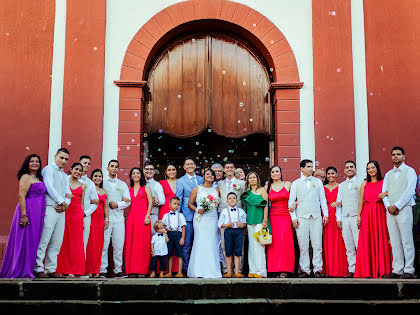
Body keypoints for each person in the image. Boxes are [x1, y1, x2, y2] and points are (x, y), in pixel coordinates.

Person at [0, 154, 46, 278]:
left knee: (32, 240)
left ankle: (28, 267)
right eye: (32, 161)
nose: (35, 163)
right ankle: (20, 269)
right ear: (27, 163)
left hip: (37, 214)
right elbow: (21, 196)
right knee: (24, 239)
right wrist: (24, 215)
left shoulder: (38, 178)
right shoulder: (25, 177)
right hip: (27, 211)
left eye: (37, 161)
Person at [288, 159, 328, 278]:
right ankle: (305, 269)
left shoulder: (318, 182)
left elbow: (322, 199)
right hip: (301, 217)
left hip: (316, 216)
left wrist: (325, 214)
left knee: (317, 245)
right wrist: (294, 218)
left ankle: (317, 269)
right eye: (308, 166)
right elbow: (291, 202)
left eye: (312, 166)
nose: (311, 169)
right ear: (302, 168)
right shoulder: (296, 183)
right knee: (303, 245)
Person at [35, 148, 71, 278]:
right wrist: (62, 201)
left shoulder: (65, 176)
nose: (63, 161)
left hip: (61, 210)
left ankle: (51, 268)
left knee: (57, 240)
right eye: (61, 158)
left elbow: (68, 193)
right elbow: (49, 187)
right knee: (45, 238)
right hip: (50, 207)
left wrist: (65, 204)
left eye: (66, 159)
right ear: (55, 156)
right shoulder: (48, 169)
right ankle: (38, 267)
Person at [382, 147, 417, 279]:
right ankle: (397, 269)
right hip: (390, 211)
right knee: (395, 240)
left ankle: (409, 269)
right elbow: (384, 192)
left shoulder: (410, 171)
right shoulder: (388, 174)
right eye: (393, 155)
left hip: (404, 209)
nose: (396, 156)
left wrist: (397, 205)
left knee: (406, 239)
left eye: (398, 154)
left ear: (404, 156)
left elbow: (410, 191)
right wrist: (388, 206)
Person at [354, 161, 392, 278]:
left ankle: (383, 269)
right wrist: (359, 215)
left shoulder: (384, 181)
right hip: (367, 213)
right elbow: (360, 200)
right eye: (368, 168)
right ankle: (367, 270)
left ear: (377, 168)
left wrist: (385, 193)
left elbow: (390, 193)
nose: (371, 170)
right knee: (367, 240)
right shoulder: (364, 183)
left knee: (381, 238)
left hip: (380, 212)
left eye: (373, 167)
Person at [187, 168, 222, 278]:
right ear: (203, 176)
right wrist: (198, 210)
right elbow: (190, 204)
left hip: (212, 218)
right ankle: (198, 270)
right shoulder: (197, 189)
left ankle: (212, 270)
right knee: (200, 241)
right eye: (207, 174)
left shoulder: (216, 190)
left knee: (212, 242)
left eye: (212, 175)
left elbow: (218, 203)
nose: (210, 176)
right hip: (200, 219)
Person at [100, 160, 130, 278]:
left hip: (118, 218)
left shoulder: (122, 184)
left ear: (118, 169)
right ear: (107, 168)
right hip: (105, 218)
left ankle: (118, 270)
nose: (114, 168)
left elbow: (128, 201)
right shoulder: (102, 182)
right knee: (104, 244)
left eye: (116, 167)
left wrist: (118, 204)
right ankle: (103, 269)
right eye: (112, 166)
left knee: (118, 244)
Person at [56, 162, 86, 277]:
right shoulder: (64, 182)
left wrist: (82, 218)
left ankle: (76, 269)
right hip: (66, 212)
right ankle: (63, 269)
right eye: (76, 169)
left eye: (80, 170)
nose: (77, 172)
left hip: (77, 213)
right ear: (71, 169)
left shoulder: (83, 185)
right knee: (64, 239)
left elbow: (82, 203)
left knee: (76, 242)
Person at [176, 157, 204, 273]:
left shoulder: (201, 179)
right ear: (184, 167)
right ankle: (186, 268)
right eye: (187, 164)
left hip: (202, 216)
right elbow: (179, 199)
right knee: (186, 244)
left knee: (200, 243)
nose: (189, 166)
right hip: (188, 216)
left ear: (195, 166)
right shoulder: (181, 181)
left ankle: (199, 268)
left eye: (191, 164)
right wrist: (177, 216)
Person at [333, 160, 361, 277]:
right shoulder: (341, 185)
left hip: (356, 217)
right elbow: (339, 203)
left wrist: (360, 217)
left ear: (355, 169)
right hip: (345, 218)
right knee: (349, 246)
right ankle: (352, 269)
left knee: (359, 244)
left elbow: (362, 201)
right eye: (347, 167)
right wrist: (338, 219)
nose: (349, 169)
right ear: (344, 170)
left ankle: (361, 269)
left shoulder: (361, 183)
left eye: (351, 167)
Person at [266, 165, 294, 278]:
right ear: (270, 174)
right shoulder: (268, 186)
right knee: (274, 242)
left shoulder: (288, 184)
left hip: (285, 215)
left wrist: (294, 204)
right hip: (273, 216)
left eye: (277, 171)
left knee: (285, 241)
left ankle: (285, 269)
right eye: (273, 172)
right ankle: (274, 269)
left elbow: (296, 197)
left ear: (281, 173)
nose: (275, 173)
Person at [218, 161, 246, 273]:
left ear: (234, 169)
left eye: (231, 167)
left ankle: (238, 269)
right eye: (227, 167)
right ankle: (227, 269)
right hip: (225, 218)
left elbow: (244, 201)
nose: (229, 169)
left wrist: (244, 222)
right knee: (225, 245)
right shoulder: (220, 184)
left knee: (240, 246)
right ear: (224, 170)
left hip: (238, 218)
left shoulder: (242, 183)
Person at [125, 167, 153, 278]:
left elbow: (150, 202)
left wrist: (147, 215)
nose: (136, 175)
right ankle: (132, 269)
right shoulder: (129, 189)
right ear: (131, 176)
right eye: (133, 173)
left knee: (142, 243)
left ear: (141, 175)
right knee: (132, 242)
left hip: (143, 216)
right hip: (132, 217)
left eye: (138, 173)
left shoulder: (146, 188)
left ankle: (142, 269)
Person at [241, 171, 269, 278]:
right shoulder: (247, 192)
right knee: (251, 246)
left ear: (257, 179)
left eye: (254, 177)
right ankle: (252, 270)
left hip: (260, 220)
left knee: (259, 246)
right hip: (250, 221)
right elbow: (246, 209)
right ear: (247, 180)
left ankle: (260, 271)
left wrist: (265, 221)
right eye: (250, 178)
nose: (252, 179)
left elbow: (266, 206)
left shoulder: (262, 190)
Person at [322, 166, 348, 277]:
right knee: (328, 243)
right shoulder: (322, 187)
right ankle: (329, 270)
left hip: (339, 215)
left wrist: (338, 203)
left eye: (333, 173)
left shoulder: (341, 186)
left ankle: (342, 270)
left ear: (337, 174)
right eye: (328, 174)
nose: (330, 176)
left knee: (340, 243)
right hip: (326, 216)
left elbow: (346, 200)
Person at [85, 169, 109, 277]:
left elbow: (106, 206)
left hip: (100, 219)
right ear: (92, 177)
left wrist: (107, 219)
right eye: (95, 176)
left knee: (98, 245)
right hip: (90, 217)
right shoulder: (88, 189)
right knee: (90, 244)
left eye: (100, 176)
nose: (97, 178)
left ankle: (96, 270)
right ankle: (87, 270)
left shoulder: (104, 192)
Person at [218, 192, 247, 278]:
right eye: (230, 198)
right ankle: (229, 271)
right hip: (228, 232)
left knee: (237, 251)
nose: (232, 200)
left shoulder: (241, 211)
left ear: (237, 200)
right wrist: (227, 225)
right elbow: (219, 224)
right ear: (227, 201)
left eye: (234, 198)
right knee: (228, 251)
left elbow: (245, 223)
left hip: (238, 232)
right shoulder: (224, 211)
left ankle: (237, 271)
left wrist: (241, 224)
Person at [79, 155, 99, 254]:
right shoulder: (69, 178)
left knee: (83, 242)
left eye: (88, 164)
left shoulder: (90, 183)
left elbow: (95, 202)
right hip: (69, 214)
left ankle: (80, 267)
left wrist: (85, 213)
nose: (86, 165)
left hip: (85, 216)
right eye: (84, 163)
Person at [162, 196, 186, 278]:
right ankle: (169, 272)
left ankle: (179, 272)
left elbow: (183, 227)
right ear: (169, 205)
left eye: (178, 204)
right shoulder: (165, 216)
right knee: (170, 254)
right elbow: (162, 227)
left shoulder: (181, 215)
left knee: (179, 254)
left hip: (178, 234)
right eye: (174, 204)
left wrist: (182, 237)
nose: (176, 206)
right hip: (169, 234)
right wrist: (165, 236)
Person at [143, 162, 165, 236]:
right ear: (143, 170)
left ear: (154, 171)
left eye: (151, 169)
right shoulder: (139, 183)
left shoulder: (157, 185)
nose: (149, 171)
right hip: (140, 214)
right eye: (147, 169)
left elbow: (162, 200)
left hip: (152, 215)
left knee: (153, 236)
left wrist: (153, 201)